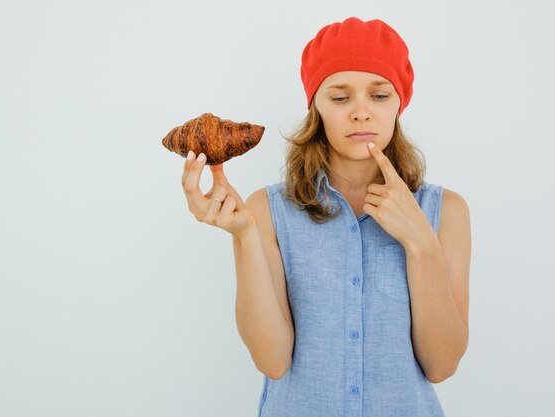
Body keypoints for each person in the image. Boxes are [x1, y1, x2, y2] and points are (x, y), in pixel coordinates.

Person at [182, 16, 471, 417]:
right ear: (315, 105)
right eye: (340, 97)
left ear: (399, 104)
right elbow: (273, 362)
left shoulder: (447, 212)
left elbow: (442, 365)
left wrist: (420, 242)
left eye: (380, 95)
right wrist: (244, 234)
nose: (361, 113)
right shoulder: (267, 210)